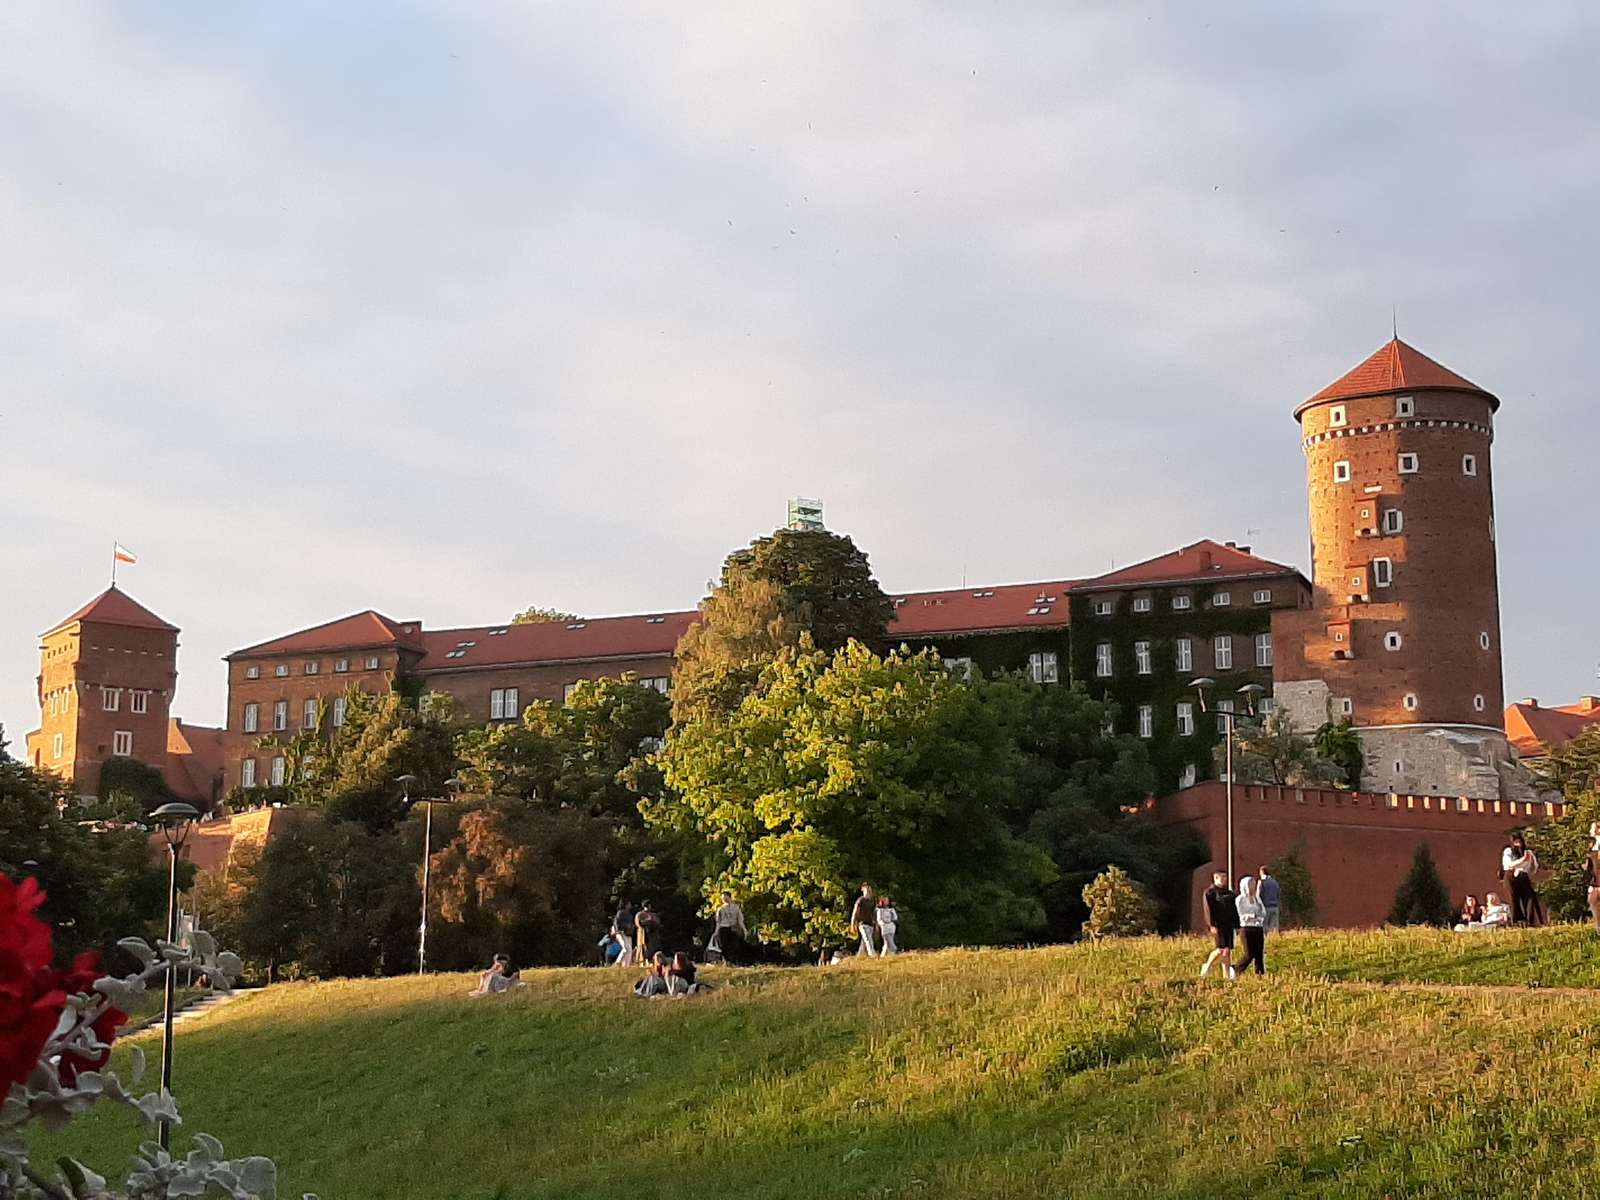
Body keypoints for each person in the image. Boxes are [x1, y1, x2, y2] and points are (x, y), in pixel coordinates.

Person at [1199, 872, 1238, 979]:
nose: (1224, 879)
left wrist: (1237, 924)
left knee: (1227, 950)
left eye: (1225, 877)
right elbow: (1208, 910)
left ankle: (1226, 975)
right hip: (1218, 925)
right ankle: (1207, 966)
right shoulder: (1209, 893)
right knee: (1220, 949)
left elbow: (1234, 910)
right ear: (1215, 878)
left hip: (1228, 925)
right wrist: (1211, 925)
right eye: (1222, 877)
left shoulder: (1230, 893)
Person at [1501, 834, 1545, 926]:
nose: (1518, 845)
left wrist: (1531, 862)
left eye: (1519, 842)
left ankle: (1531, 922)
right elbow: (1508, 864)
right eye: (1516, 842)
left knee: (1529, 898)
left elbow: (1533, 869)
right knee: (1513, 899)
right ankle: (1517, 922)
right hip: (1511, 876)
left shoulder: (1528, 852)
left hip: (1523, 876)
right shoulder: (1508, 851)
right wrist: (1523, 860)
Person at [1232, 876, 1267, 976]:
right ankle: (1236, 969)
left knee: (1259, 954)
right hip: (1246, 928)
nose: (1252, 887)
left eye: (1253, 885)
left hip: (1258, 927)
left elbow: (1263, 912)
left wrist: (1259, 914)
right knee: (1249, 953)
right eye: (1250, 885)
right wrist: (1252, 915)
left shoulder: (1257, 898)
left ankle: (1260, 974)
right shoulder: (1240, 899)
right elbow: (1240, 914)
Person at [710, 891, 748, 965]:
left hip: (733, 928)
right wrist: (716, 932)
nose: (724, 898)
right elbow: (718, 922)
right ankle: (727, 961)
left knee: (734, 945)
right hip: (723, 928)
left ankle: (733, 961)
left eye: (725, 897)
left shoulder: (736, 908)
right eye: (723, 897)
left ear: (729, 897)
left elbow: (740, 920)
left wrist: (744, 930)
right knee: (723, 945)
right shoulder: (720, 909)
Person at [850, 884, 879, 957]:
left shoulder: (872, 901)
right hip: (862, 924)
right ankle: (872, 954)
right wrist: (853, 924)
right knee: (868, 940)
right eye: (867, 889)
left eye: (870, 890)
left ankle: (860, 955)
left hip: (870, 924)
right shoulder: (860, 900)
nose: (869, 891)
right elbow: (855, 912)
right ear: (864, 891)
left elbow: (874, 913)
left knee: (864, 942)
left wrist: (876, 924)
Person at [1257, 865, 1282, 932]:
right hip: (1275, 907)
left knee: (1264, 928)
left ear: (1262, 872)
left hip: (1265, 907)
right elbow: (1278, 893)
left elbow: (1258, 896)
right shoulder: (1275, 882)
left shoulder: (1262, 882)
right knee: (1274, 929)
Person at [612, 900, 636, 967]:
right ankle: (617, 963)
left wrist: (631, 928)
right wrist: (618, 930)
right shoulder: (620, 913)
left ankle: (626, 966)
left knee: (630, 950)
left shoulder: (629, 914)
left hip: (628, 933)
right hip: (621, 932)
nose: (630, 905)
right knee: (625, 948)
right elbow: (616, 922)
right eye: (629, 904)